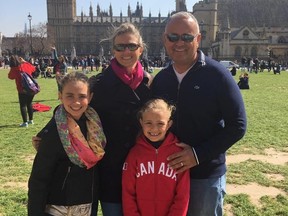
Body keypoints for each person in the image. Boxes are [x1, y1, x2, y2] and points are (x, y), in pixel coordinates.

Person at [151, 12, 247, 216]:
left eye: (187, 37)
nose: (179, 43)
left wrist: (197, 155)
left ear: (198, 39)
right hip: (168, 173)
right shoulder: (161, 80)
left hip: (205, 175)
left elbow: (238, 125)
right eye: (173, 37)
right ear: (164, 39)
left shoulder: (218, 75)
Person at [89, 22, 152, 216]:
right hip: (111, 171)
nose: (126, 51)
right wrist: (46, 133)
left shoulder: (150, 83)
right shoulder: (98, 84)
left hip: (143, 169)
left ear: (140, 49)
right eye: (120, 47)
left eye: (132, 46)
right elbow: (72, 110)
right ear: (113, 50)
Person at [28, 72, 106, 215]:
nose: (76, 102)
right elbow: (39, 179)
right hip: (58, 207)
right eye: (70, 96)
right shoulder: (53, 132)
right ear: (60, 96)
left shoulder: (95, 127)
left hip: (87, 204)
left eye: (82, 96)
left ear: (90, 97)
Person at [122, 98, 190, 216]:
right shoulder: (135, 154)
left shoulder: (178, 153)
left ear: (169, 124)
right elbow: (128, 193)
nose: (154, 129)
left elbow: (183, 195)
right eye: (149, 123)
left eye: (160, 123)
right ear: (141, 122)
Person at [8, 55, 36, 127]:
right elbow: (33, 68)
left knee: (23, 105)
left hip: (22, 89)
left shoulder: (14, 69)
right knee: (29, 103)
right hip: (31, 88)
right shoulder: (26, 65)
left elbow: (10, 77)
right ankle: (31, 120)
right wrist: (25, 62)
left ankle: (25, 122)